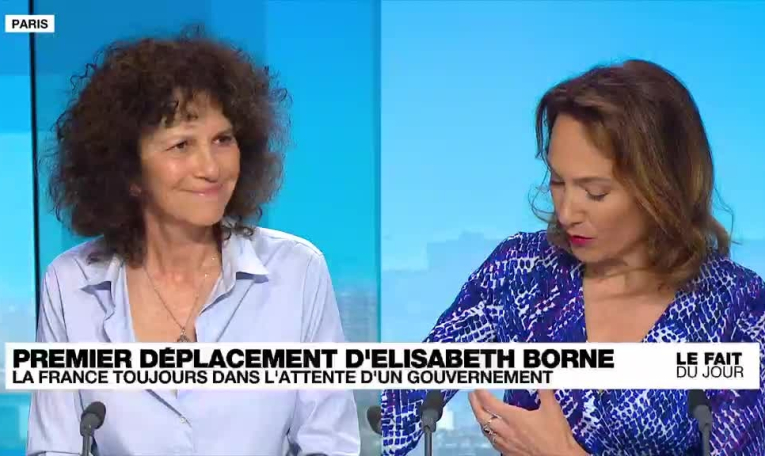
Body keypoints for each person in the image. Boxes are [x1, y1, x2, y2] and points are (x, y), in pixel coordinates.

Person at [381, 59, 765, 455]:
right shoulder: (521, 270)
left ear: (663, 187)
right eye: (558, 181)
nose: (566, 213)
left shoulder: (737, 307)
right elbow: (406, 398)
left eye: (595, 193)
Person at [27, 29, 360, 456]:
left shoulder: (297, 270)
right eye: (181, 145)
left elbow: (329, 443)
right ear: (128, 172)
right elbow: (55, 447)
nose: (211, 168)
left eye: (223, 140)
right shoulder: (71, 282)